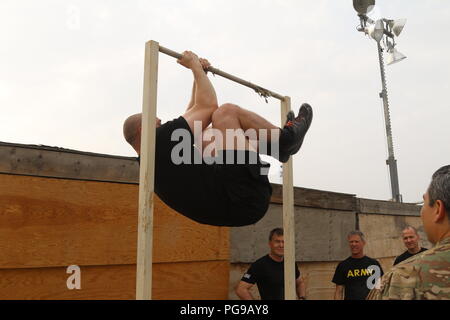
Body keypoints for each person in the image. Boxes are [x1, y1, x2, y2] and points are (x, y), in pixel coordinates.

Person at [123, 50, 313, 227]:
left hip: (239, 207)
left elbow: (193, 115)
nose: (162, 124)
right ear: (144, 129)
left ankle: (275, 147)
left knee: (208, 135)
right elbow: (208, 106)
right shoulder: (160, 140)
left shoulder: (151, 164)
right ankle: (285, 140)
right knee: (225, 113)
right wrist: (195, 67)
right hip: (245, 195)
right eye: (159, 123)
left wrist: (199, 76)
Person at [367, 165, 450, 300]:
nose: (409, 240)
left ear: (438, 209)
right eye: (405, 238)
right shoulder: (399, 262)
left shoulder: (399, 277)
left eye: (424, 202)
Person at [235, 228, 306, 300]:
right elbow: (241, 290)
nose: (281, 245)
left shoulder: (290, 263)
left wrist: (302, 297)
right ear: (270, 243)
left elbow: (300, 282)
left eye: (284, 242)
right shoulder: (260, 265)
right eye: (277, 241)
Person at [332, 231, 384, 300]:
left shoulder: (374, 264)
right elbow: (339, 291)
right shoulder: (343, 265)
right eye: (351, 242)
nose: (354, 244)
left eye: (356, 242)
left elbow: (379, 288)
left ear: (363, 243)